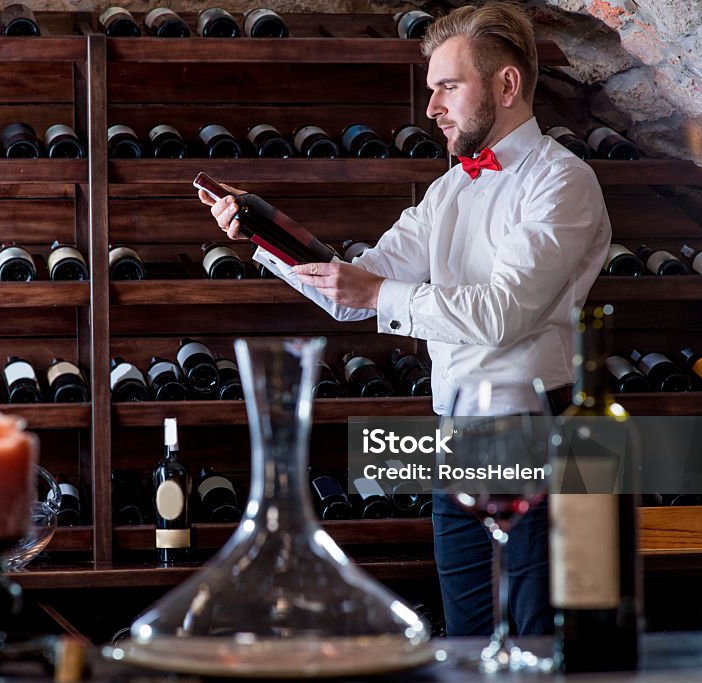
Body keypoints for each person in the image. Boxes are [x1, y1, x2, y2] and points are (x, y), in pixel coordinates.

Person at [198, 3, 611, 636]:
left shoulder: (563, 182)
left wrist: (379, 291)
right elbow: (349, 291)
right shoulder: (446, 192)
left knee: (534, 638)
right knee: (468, 635)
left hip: (534, 433)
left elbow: (502, 313)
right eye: (432, 90)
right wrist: (260, 235)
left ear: (506, 85)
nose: (432, 109)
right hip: (456, 437)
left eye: (448, 87)